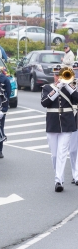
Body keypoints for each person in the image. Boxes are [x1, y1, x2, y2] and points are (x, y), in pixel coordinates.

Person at [41, 64, 78, 192]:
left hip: (67, 122)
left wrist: (67, 84)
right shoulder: (47, 87)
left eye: (60, 75)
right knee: (55, 155)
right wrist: (57, 88)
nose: (58, 77)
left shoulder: (70, 88)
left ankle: (58, 181)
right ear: (53, 75)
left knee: (62, 152)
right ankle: (58, 177)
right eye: (56, 75)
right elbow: (45, 102)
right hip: (52, 123)